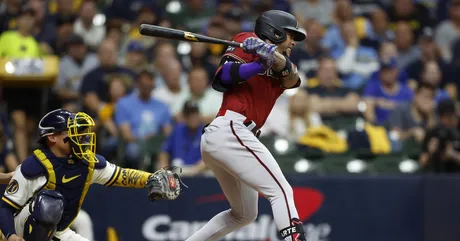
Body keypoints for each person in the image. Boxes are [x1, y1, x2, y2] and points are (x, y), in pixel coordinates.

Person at [187, 10, 307, 241]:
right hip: (230, 129)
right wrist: (257, 63)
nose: (293, 41)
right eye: (290, 35)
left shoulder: (283, 63)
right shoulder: (245, 40)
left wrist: (272, 58)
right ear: (275, 31)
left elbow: (292, 78)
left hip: (232, 138)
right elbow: (222, 79)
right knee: (281, 191)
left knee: (244, 214)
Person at [0, 109, 183, 241]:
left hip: (59, 231)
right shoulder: (34, 166)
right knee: (49, 204)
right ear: (52, 137)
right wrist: (11, 235)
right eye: (72, 132)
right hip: (20, 230)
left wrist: (150, 178)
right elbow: (5, 208)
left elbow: (121, 175)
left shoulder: (87, 163)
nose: (80, 137)